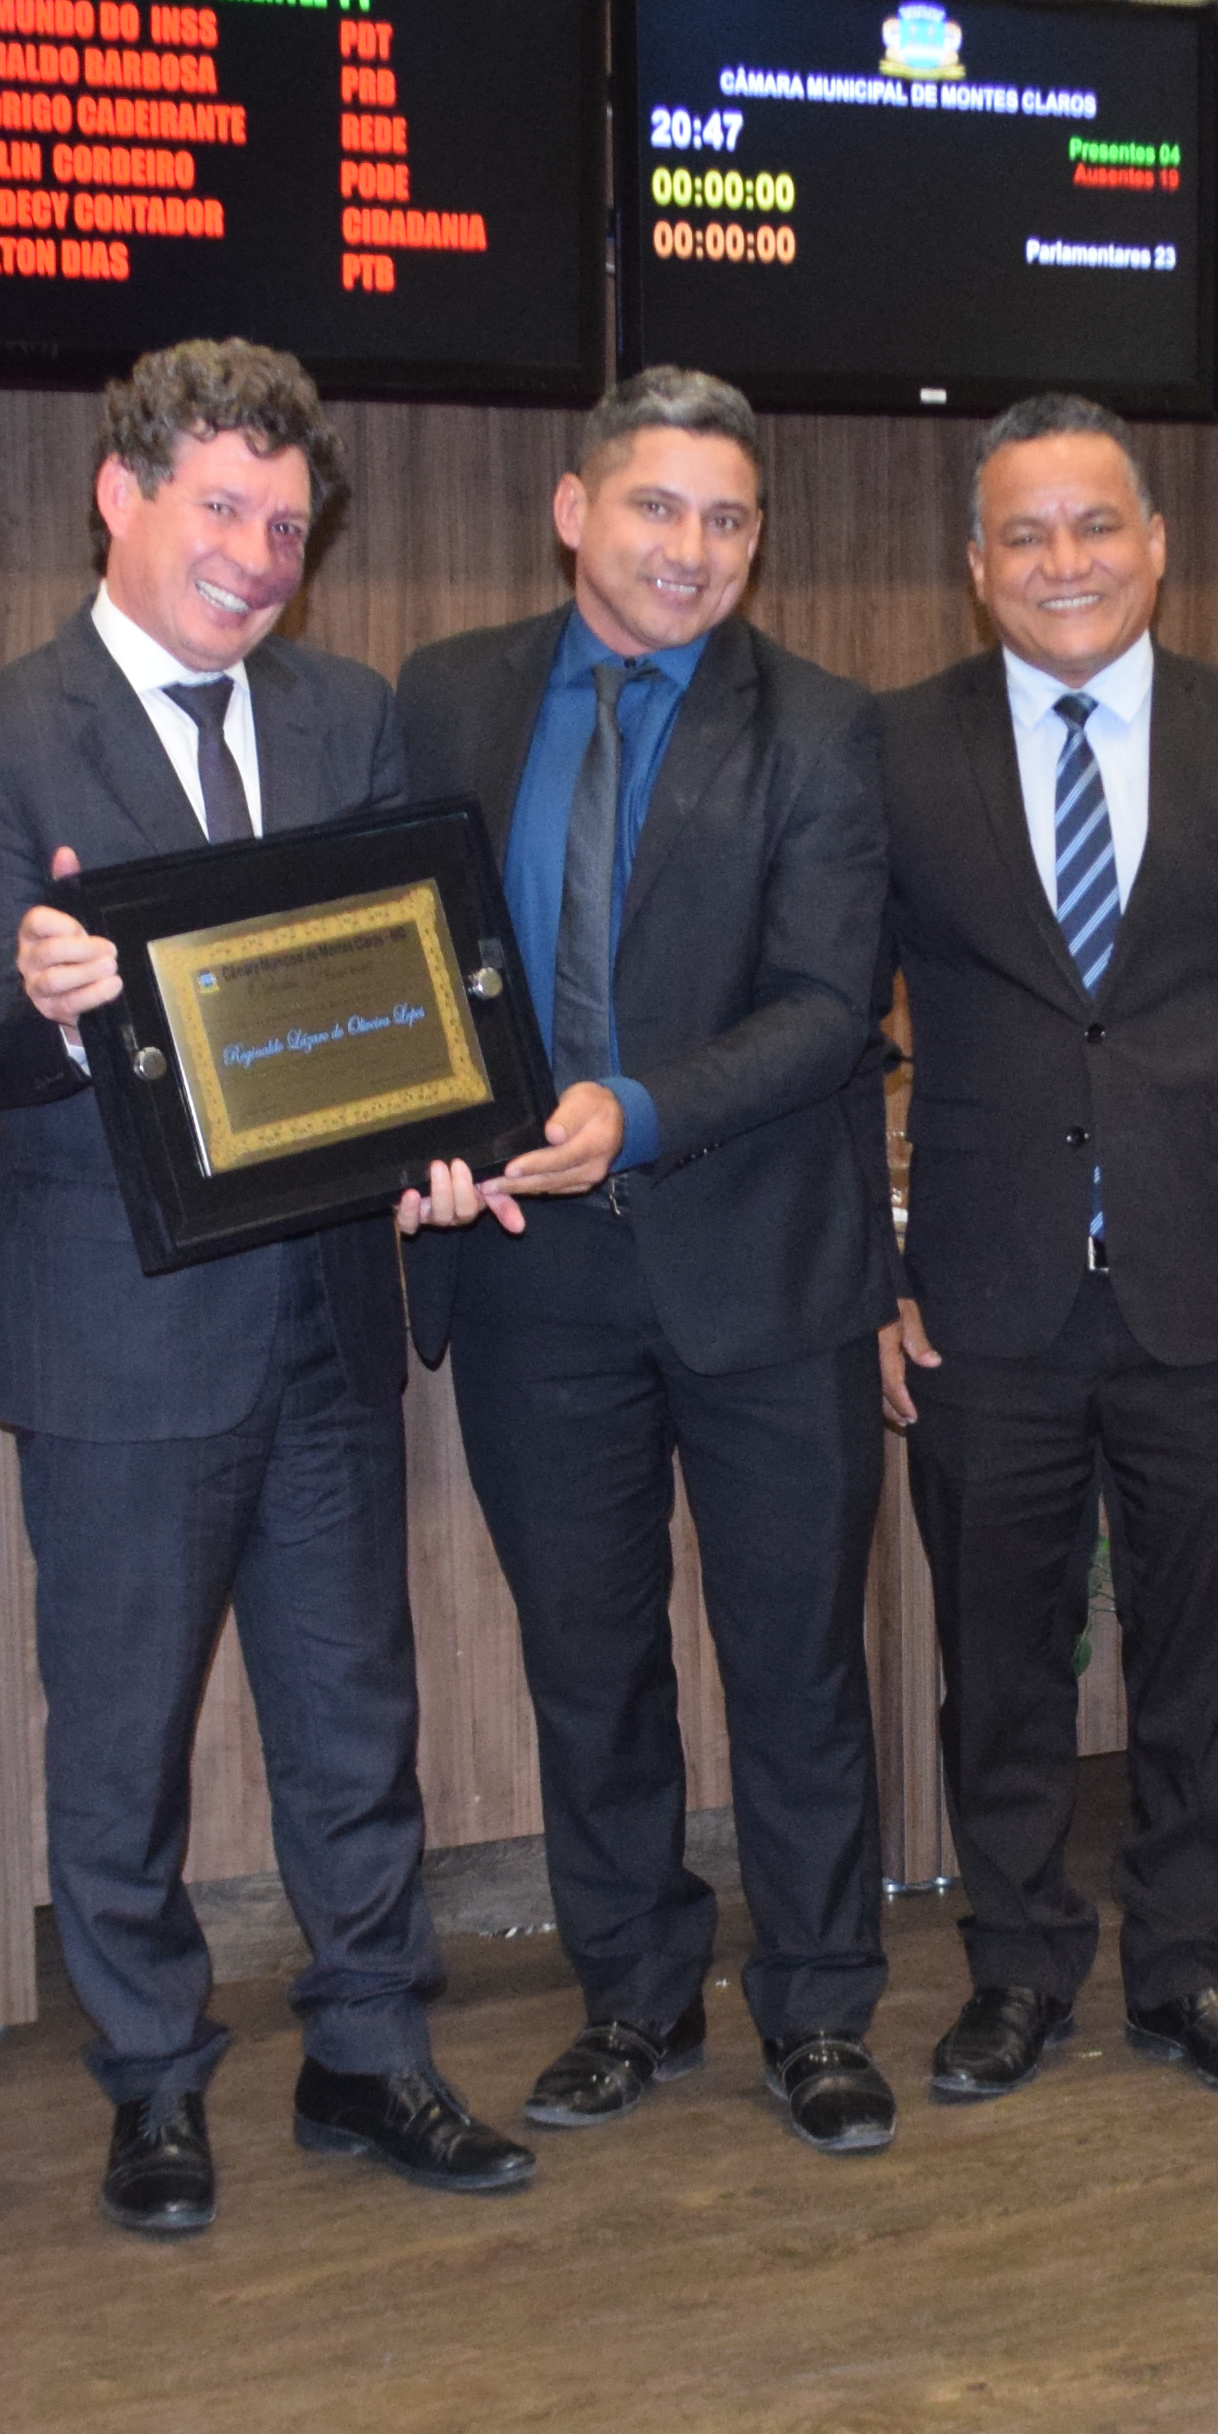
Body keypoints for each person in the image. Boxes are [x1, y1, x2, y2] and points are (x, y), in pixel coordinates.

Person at [0, 340, 520, 2228]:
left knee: (356, 1717)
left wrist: (445, 1139)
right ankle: (155, 2085)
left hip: (331, 1311)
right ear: (121, 492)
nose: (257, 555)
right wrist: (52, 999)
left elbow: (400, 1001)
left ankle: (372, 2054)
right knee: (120, 1742)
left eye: (286, 523)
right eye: (221, 512)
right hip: (119, 1326)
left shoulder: (350, 715)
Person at [393, 371, 901, 2153]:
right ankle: (633, 1998)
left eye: (727, 520)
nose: (690, 551)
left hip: (764, 1263)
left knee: (794, 1663)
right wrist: (407, 1143)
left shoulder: (825, 732)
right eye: (656, 509)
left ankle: (822, 2007)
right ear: (571, 509)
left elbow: (831, 1013)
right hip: (534, 1273)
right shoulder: (449, 696)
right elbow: (396, 970)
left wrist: (641, 1108)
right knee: (587, 1660)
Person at [875, 398, 1218, 2106]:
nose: (1064, 562)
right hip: (983, 1296)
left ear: (1156, 544)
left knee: (1204, 1664)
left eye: (1095, 526)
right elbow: (831, 1031)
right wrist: (871, 1281)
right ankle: (1020, 1967)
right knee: (1000, 1667)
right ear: (976, 569)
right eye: (1023, 536)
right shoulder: (896, 751)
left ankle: (1190, 1966)